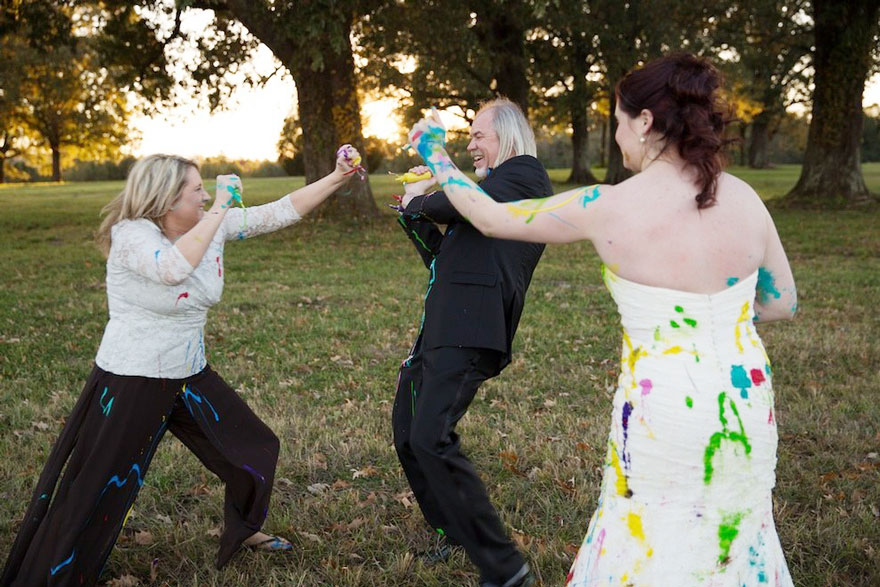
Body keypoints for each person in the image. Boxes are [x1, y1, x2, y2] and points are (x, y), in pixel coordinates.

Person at [408, 53, 797, 585]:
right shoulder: (746, 198)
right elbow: (781, 303)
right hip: (746, 404)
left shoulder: (609, 204)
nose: (616, 137)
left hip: (665, 412)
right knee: (734, 536)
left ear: (645, 122)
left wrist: (434, 151)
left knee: (650, 539)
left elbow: (489, 216)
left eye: (617, 123)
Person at [1, 147, 360, 586]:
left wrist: (337, 177)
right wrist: (223, 210)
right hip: (133, 378)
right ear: (167, 199)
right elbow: (171, 269)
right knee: (97, 487)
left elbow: (280, 211)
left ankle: (244, 529)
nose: (207, 197)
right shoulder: (132, 234)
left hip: (187, 372)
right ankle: (52, 575)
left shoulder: (208, 226)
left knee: (253, 448)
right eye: (197, 190)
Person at [392, 98, 551, 587]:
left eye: (479, 135)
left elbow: (448, 204)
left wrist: (425, 194)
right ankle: (452, 530)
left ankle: (503, 565)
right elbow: (441, 256)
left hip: (471, 329)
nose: (471, 143)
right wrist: (410, 212)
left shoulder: (524, 176)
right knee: (409, 434)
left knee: (430, 437)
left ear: (508, 135)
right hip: (441, 326)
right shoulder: (482, 196)